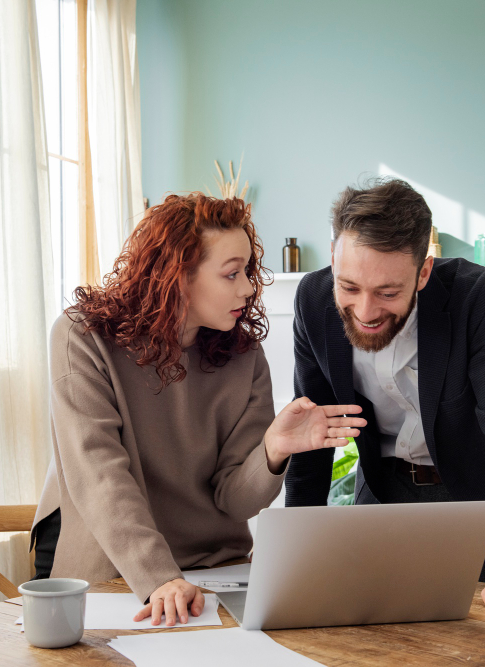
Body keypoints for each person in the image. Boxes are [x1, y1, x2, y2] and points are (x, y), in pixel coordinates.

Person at [30, 193, 365, 627]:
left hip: (216, 573)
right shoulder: (82, 336)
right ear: (178, 275)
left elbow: (233, 498)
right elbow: (99, 476)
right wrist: (160, 579)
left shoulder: (244, 357)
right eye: (231, 273)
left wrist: (272, 450)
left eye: (247, 271)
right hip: (117, 570)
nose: (247, 287)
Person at [285, 178, 485, 622]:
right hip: (380, 495)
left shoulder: (479, 298)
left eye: (388, 292)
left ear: (423, 272)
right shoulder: (313, 300)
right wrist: (294, 556)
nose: (364, 311)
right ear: (334, 257)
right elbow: (313, 433)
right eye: (350, 287)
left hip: (475, 502)